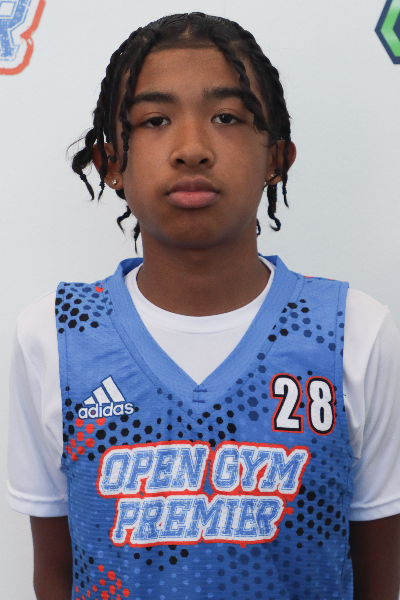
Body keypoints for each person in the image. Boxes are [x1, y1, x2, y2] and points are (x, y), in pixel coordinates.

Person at [7, 12, 400, 600]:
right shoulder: (55, 336)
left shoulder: (355, 332)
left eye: (226, 117)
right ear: (111, 163)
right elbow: (56, 573)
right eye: (155, 120)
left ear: (277, 157)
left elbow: (378, 579)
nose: (191, 148)